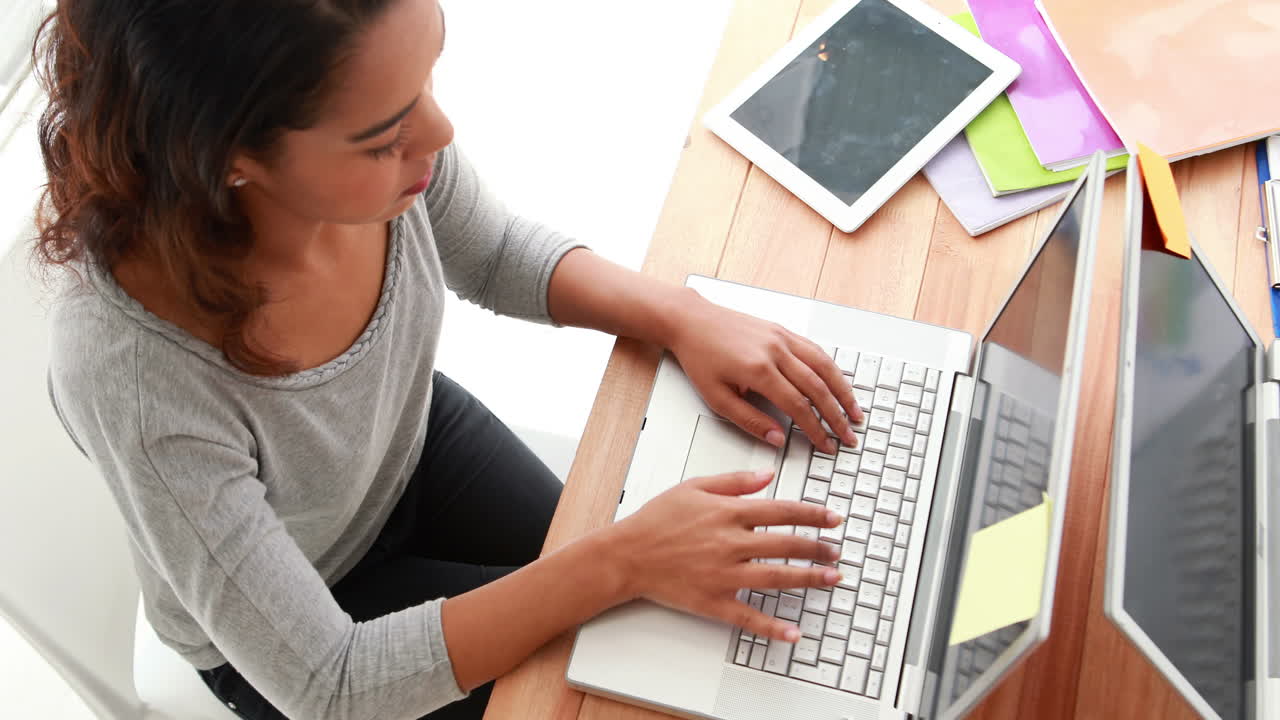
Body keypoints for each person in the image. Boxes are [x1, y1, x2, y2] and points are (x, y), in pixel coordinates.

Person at [32, 1, 864, 718]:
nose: (438, 132)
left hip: (408, 446)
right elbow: (332, 685)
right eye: (385, 135)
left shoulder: (377, 153)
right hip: (310, 629)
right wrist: (623, 558)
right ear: (231, 158)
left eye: (426, 79)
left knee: (660, 631)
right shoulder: (135, 374)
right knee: (609, 667)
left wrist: (686, 316)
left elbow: (496, 251)